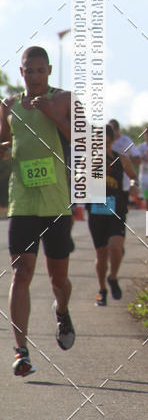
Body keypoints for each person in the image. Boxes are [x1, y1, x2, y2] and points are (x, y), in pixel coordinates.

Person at [0, 46, 75, 376]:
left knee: (59, 279)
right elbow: (5, 144)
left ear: (49, 71)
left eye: (40, 71)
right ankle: (22, 351)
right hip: (23, 202)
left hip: (56, 203)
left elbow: (86, 141)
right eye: (28, 71)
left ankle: (62, 310)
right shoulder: (8, 106)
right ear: (21, 72)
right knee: (21, 272)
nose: (34, 77)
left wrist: (53, 115)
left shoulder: (65, 99)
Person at [88, 124, 137, 305]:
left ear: (111, 140)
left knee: (116, 247)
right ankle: (102, 289)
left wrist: (133, 186)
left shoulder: (121, 159)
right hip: (96, 209)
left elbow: (133, 176)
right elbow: (79, 179)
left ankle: (113, 277)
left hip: (117, 207)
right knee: (101, 254)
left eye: (106, 141)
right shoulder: (89, 159)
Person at [108, 119, 139, 236]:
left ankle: (118, 238)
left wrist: (134, 185)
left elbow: (138, 160)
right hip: (100, 195)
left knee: (117, 226)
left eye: (112, 130)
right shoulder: (93, 155)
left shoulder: (125, 142)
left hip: (122, 188)